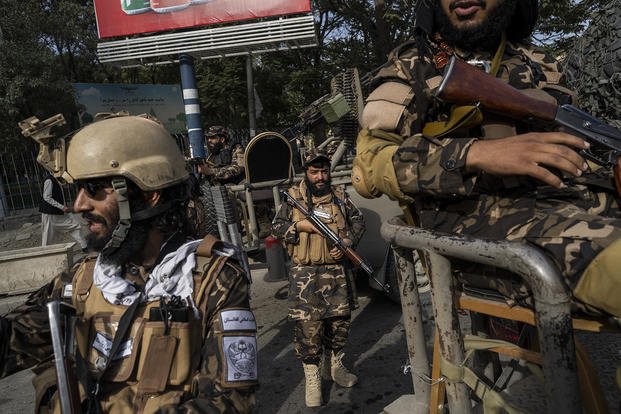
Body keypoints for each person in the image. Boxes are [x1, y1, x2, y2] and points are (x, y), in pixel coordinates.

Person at [353, 0, 621, 318]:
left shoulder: (539, 62)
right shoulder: (414, 64)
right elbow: (369, 168)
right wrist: (476, 155)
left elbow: (574, 143)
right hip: (472, 229)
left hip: (569, 201)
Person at [0, 115, 257, 413]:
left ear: (148, 195)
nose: (79, 205)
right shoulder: (82, 281)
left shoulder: (210, 281)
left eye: (95, 189)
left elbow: (231, 401)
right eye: (78, 190)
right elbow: (11, 341)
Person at [271, 149, 365, 407]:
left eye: (324, 171)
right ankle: (313, 379)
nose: (320, 177)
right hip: (305, 277)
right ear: (306, 173)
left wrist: (347, 241)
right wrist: (299, 226)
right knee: (308, 332)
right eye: (314, 172)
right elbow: (275, 228)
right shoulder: (292, 199)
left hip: (338, 274)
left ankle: (335, 368)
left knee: (339, 327)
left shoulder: (341, 197)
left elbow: (358, 221)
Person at [39, 172, 87, 251]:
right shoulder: (49, 180)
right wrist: (62, 207)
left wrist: (63, 208)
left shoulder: (57, 180)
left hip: (60, 212)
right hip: (50, 214)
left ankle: (84, 246)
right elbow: (47, 197)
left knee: (74, 225)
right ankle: (44, 252)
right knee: (47, 235)